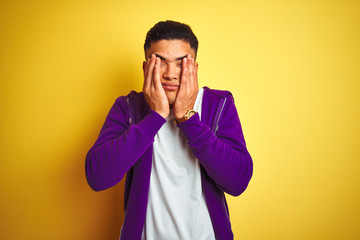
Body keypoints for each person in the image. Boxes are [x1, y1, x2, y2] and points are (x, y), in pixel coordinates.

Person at [85, 20, 253, 240]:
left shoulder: (218, 104)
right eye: (160, 62)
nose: (170, 74)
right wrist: (154, 117)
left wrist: (188, 118)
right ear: (146, 67)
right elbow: (97, 177)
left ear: (194, 67)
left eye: (180, 63)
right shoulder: (128, 108)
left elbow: (238, 181)